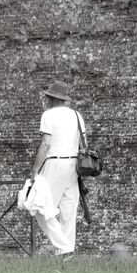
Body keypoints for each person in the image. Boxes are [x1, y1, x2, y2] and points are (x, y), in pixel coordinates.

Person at [30, 79, 84, 257]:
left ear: (52, 98)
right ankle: (66, 252)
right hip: (74, 165)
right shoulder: (77, 116)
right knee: (68, 211)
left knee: (40, 208)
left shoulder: (48, 115)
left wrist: (35, 169)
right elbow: (83, 145)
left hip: (54, 163)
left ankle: (63, 247)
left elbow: (46, 144)